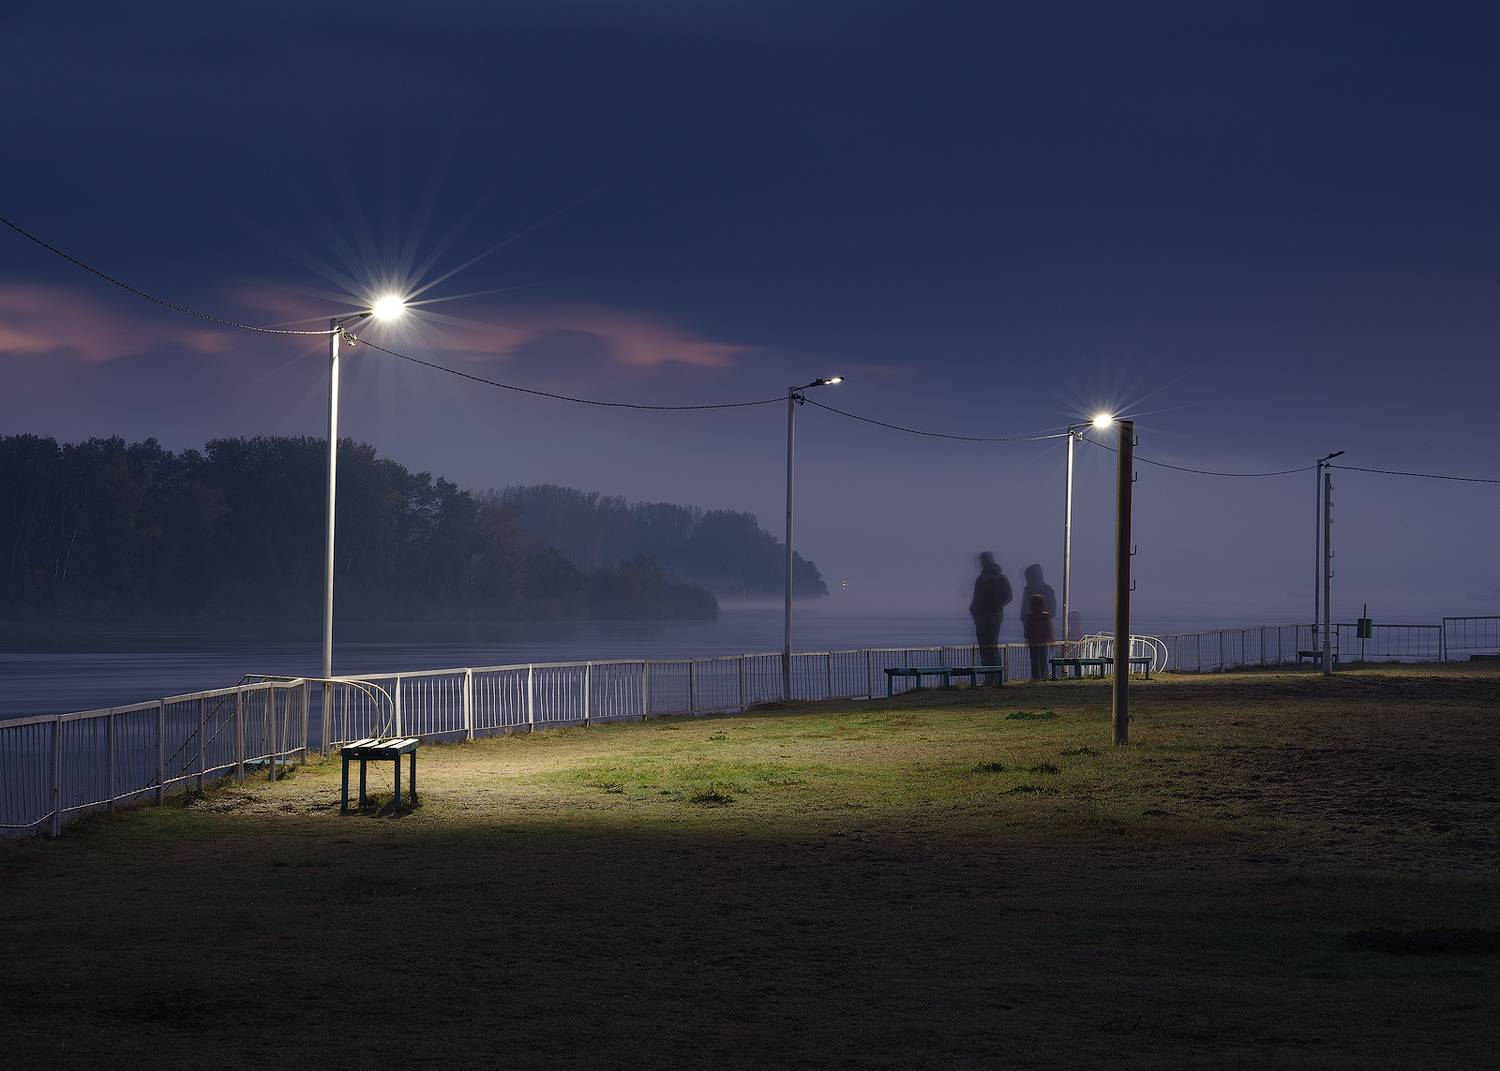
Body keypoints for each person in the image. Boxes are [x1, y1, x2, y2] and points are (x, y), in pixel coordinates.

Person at [969, 552, 1011, 682]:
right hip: (983, 618)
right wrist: (973, 609)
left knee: (990, 648)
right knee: (986, 648)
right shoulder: (982, 578)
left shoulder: (998, 578)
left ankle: (995, 677)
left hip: (991, 618)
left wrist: (994, 605)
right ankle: (990, 677)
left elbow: (1008, 596)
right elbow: (976, 597)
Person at [1023, 592, 1054, 680]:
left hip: (1033, 641)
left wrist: (1027, 638)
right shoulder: (1045, 615)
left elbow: (1028, 628)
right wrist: (1051, 638)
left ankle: (1035, 676)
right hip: (1042, 641)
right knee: (1042, 659)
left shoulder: (1030, 616)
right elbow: (1049, 628)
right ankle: (1043, 676)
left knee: (1034, 660)